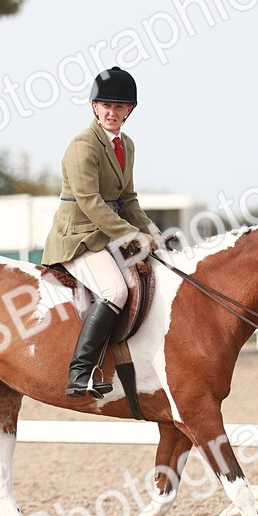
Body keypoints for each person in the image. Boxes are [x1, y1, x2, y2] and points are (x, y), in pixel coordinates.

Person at [42, 66, 163, 398]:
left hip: (107, 236)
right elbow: (91, 203)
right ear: (94, 106)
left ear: (130, 110)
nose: (112, 112)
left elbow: (128, 199)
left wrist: (153, 233)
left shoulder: (127, 145)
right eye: (106, 105)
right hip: (78, 237)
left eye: (119, 106)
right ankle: (79, 371)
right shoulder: (83, 145)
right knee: (115, 291)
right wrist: (133, 236)